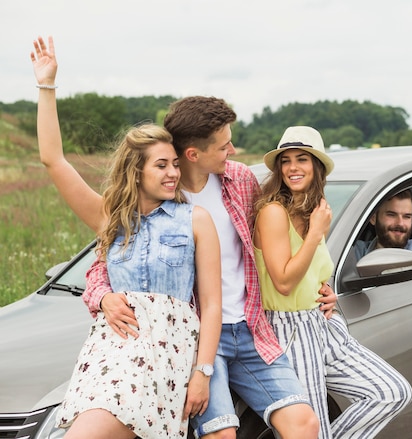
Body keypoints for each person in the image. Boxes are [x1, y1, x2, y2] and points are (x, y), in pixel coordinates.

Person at [81, 98, 338, 438]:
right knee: (221, 434)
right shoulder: (161, 201)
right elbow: (109, 259)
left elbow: (277, 239)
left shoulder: (240, 180)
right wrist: (102, 297)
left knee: (305, 422)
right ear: (193, 154)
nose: (232, 150)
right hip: (198, 339)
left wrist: (318, 285)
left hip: (251, 328)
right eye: (224, 145)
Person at [30, 36, 222, 439]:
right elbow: (53, 160)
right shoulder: (111, 219)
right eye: (161, 166)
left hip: (167, 356)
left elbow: (211, 304)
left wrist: (203, 373)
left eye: (174, 164)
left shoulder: (195, 220)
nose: (172, 173)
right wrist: (46, 87)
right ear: (136, 172)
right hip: (111, 355)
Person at [253, 126, 412, 439]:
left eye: (302, 159)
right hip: (289, 330)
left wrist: (327, 292)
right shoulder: (273, 213)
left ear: (318, 166)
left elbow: (312, 271)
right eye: (286, 161)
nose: (292, 168)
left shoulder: (317, 212)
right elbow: (284, 283)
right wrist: (314, 234)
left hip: (322, 324)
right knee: (310, 430)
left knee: (391, 392)